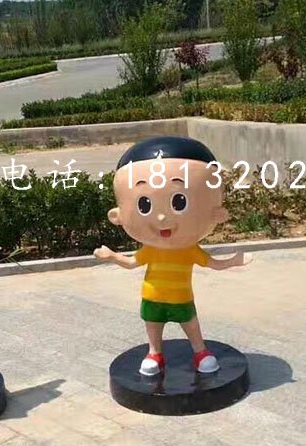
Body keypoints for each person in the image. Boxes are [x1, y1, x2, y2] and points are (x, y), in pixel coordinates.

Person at [94, 135, 251, 376]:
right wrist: (112, 256)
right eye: (144, 205)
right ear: (118, 215)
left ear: (217, 212)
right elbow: (132, 262)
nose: (161, 218)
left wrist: (232, 262)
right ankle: (154, 353)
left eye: (179, 201)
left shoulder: (189, 249)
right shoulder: (151, 250)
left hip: (181, 298)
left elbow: (211, 264)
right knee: (153, 325)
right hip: (152, 297)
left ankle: (200, 352)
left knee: (191, 324)